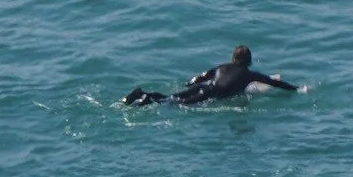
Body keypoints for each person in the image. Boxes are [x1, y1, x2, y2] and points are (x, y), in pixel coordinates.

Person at [123, 46, 297, 107]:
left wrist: (188, 84)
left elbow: (199, 77)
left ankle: (143, 94)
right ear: (249, 60)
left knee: (172, 97)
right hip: (210, 95)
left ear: (233, 58)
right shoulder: (250, 75)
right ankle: (146, 99)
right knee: (174, 104)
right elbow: (274, 83)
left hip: (203, 88)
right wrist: (297, 89)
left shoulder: (221, 67)